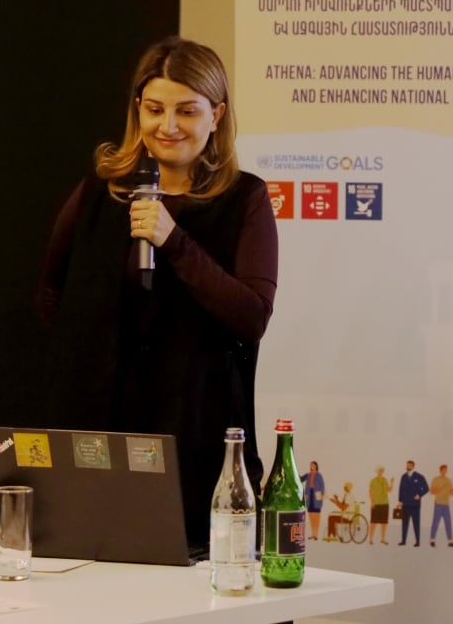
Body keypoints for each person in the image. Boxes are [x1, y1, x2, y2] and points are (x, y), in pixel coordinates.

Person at [35, 36, 279, 548]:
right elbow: (52, 293)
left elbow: (252, 316)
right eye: (154, 109)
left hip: (195, 429)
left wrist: (173, 240)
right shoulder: (101, 192)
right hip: (99, 428)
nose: (167, 127)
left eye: (186, 111)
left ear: (216, 115)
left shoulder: (245, 199)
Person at [396, 459, 428, 547]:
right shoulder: (403, 476)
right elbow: (401, 489)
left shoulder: (419, 476)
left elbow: (426, 488)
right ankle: (403, 541)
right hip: (405, 504)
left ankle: (417, 541)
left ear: (413, 466)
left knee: (416, 523)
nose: (408, 467)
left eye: (409, 465)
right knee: (404, 523)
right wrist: (400, 501)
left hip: (415, 505)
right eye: (407, 465)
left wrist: (419, 495)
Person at [428, 464, 453, 547]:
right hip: (438, 503)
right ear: (440, 470)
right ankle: (432, 540)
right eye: (444, 470)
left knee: (448, 523)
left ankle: (450, 541)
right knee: (435, 522)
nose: (445, 471)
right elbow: (431, 492)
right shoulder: (435, 479)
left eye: (446, 470)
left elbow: (451, 493)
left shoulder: (449, 480)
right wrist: (440, 489)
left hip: (446, 504)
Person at [368, 465, 394, 545]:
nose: (381, 472)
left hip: (385, 503)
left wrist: (392, 483)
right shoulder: (373, 481)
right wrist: (372, 502)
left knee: (384, 522)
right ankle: (371, 539)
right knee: (374, 522)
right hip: (376, 503)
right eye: (380, 470)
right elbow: (370, 492)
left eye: (382, 470)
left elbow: (389, 490)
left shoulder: (385, 480)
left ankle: (383, 539)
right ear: (377, 471)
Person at [301, 461, 325, 540]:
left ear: (316, 466)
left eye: (313, 465)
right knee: (311, 516)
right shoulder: (308, 475)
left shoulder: (319, 475)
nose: (311, 466)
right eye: (311, 465)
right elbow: (300, 479)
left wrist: (321, 495)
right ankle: (313, 534)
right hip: (309, 496)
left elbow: (322, 486)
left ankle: (316, 534)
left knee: (316, 517)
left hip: (316, 497)